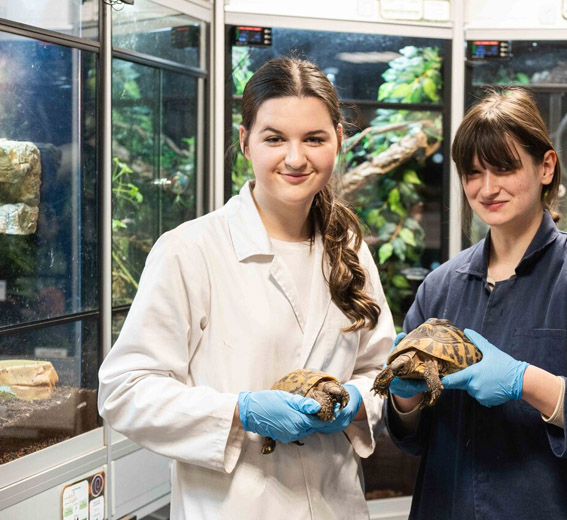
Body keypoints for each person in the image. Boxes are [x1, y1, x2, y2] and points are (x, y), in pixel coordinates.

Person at [98, 57, 394, 519]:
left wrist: (357, 401)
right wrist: (240, 411)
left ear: (339, 139)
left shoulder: (350, 250)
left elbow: (380, 371)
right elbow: (124, 391)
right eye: (274, 138)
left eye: (314, 138)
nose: (295, 158)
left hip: (338, 505)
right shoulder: (190, 250)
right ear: (245, 142)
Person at [384, 88, 567, 519]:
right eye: (474, 173)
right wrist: (404, 401)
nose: (487, 187)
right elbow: (412, 438)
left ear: (546, 167)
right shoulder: (440, 288)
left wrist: (528, 382)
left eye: (505, 168)